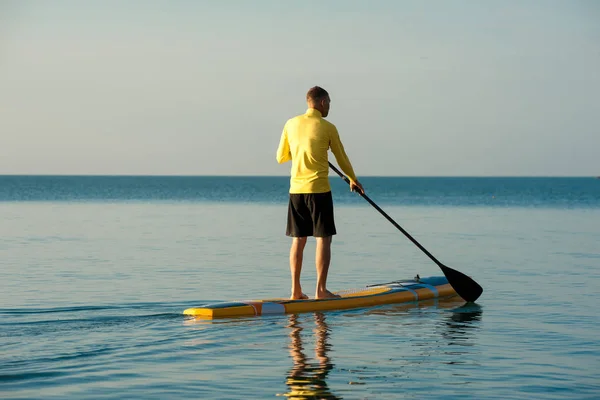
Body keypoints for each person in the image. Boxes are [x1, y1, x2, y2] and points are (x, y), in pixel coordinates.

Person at [276, 86, 364, 300]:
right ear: (322, 102)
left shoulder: (290, 123)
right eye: (329, 103)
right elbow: (342, 158)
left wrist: (301, 151)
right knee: (323, 239)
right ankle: (321, 291)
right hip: (318, 191)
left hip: (295, 191)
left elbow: (281, 157)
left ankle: (295, 291)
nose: (329, 107)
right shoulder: (328, 127)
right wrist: (353, 179)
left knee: (298, 240)